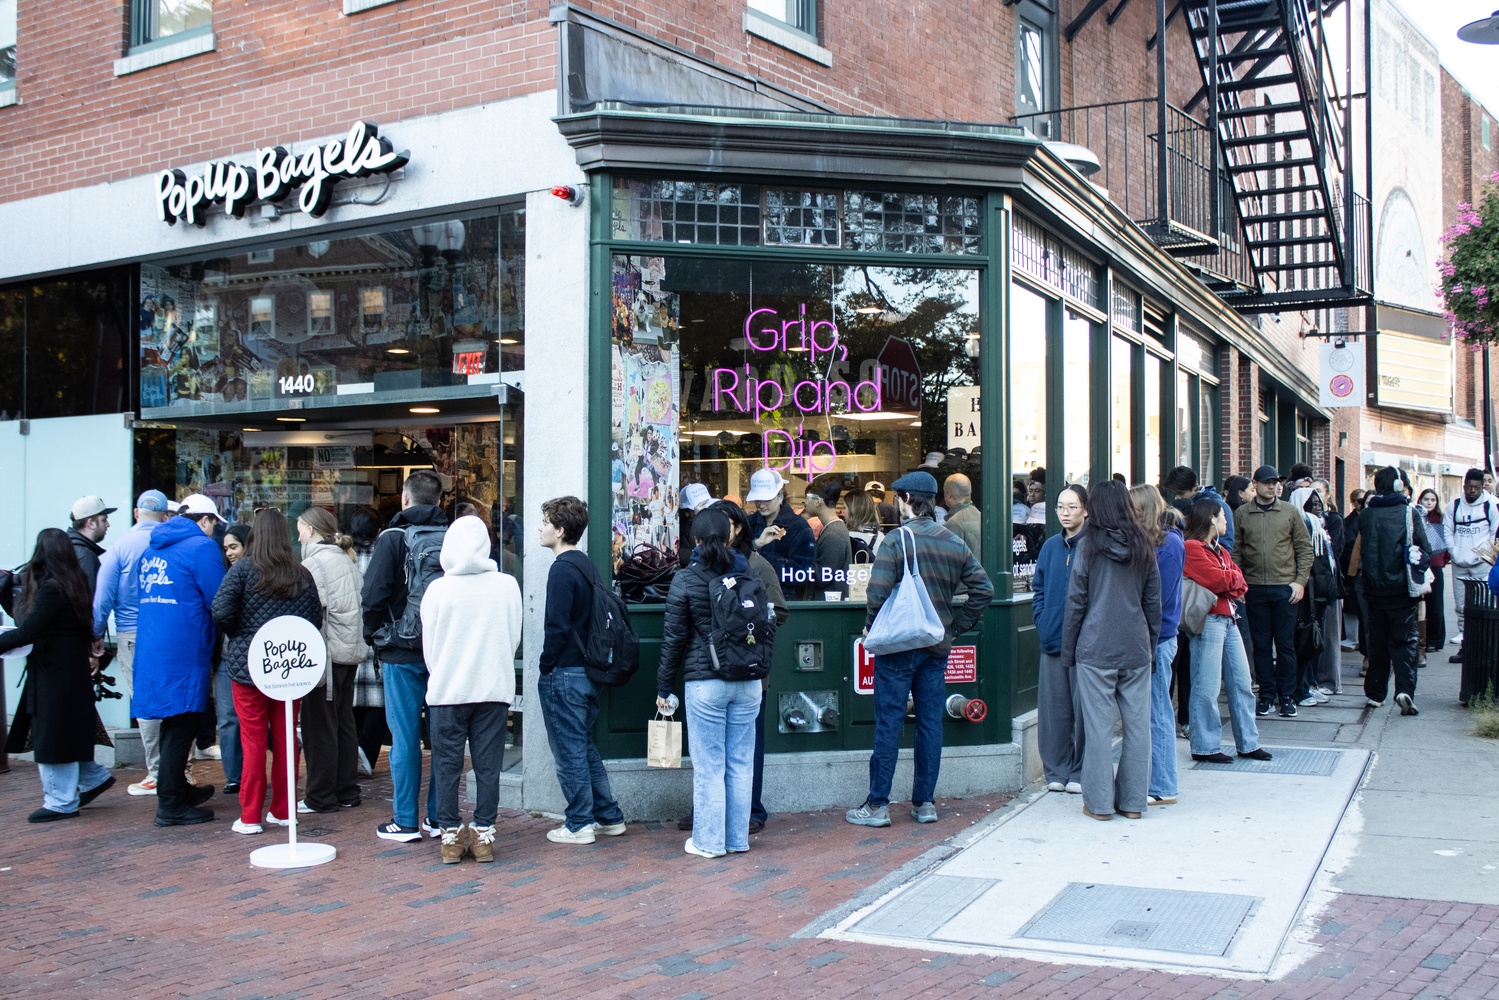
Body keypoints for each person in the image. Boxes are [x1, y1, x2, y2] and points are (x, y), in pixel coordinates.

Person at [846, 471, 994, 828]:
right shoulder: (952, 541)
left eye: (899, 498)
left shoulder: (897, 540)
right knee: (930, 723)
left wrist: (870, 626)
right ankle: (925, 803)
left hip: (897, 648)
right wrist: (956, 628)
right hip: (935, 646)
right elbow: (984, 590)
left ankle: (878, 805)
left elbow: (877, 593)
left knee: (889, 723)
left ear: (907, 500)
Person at [656, 508, 775, 858]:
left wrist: (664, 686)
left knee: (710, 766)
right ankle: (737, 839)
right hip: (750, 679)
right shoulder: (746, 568)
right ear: (729, 535)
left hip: (705, 681)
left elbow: (674, 639)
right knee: (740, 762)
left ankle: (708, 842)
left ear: (694, 539)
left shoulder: (686, 578)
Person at [213, 508, 325, 835]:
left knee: (252, 742)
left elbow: (220, 610)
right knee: (286, 740)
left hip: (248, 668)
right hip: (289, 669)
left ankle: (250, 816)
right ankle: (284, 810)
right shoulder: (301, 573)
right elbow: (313, 620)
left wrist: (242, 635)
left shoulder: (243, 569)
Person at [421, 515, 523, 864]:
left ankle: (450, 837)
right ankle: (483, 835)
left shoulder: (437, 589)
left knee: (447, 765)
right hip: (493, 686)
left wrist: (444, 671)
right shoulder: (507, 584)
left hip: (448, 689)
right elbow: (514, 637)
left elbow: (429, 647)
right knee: (488, 765)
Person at [0, 529, 115, 822]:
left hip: (53, 673)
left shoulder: (51, 588)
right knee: (66, 733)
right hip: (69, 671)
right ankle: (93, 778)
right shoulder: (73, 583)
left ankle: (60, 801)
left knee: (52, 736)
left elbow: (30, 629)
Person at [1062, 479, 1161, 821]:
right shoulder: (1144, 545)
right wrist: (1150, 645)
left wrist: (1068, 648)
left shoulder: (1088, 546)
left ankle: (1100, 804)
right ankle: (1133, 803)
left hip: (1095, 647)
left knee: (1098, 729)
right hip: (1134, 646)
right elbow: (1153, 603)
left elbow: (1076, 601)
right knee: (1138, 728)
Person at [363, 470, 449, 842]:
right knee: (443, 738)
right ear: (440, 501)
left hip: (401, 650)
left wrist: (376, 636)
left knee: (405, 736)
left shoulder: (392, 538)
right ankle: (437, 817)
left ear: (404, 499)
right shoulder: (453, 538)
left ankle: (405, 819)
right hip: (443, 651)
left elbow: (373, 595)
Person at [132, 494, 228, 826]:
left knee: (173, 722)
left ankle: (175, 789)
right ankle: (170, 802)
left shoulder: (152, 547)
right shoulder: (201, 549)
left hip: (153, 645)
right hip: (185, 647)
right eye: (214, 523)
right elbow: (220, 601)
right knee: (183, 721)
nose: (215, 532)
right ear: (205, 520)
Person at [537, 495, 626, 845]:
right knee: (583, 745)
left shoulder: (561, 569)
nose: (540, 529)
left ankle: (579, 823)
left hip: (566, 671)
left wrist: (546, 667)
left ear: (560, 530)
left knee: (569, 750)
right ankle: (608, 816)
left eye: (545, 523)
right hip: (588, 670)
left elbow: (556, 627)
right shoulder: (586, 564)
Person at [710, 499, 788, 835]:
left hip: (751, 667)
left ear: (738, 527)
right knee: (711, 744)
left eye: (721, 523)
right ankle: (710, 807)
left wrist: (746, 625)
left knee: (747, 745)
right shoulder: (706, 566)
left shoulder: (757, 565)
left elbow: (779, 611)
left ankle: (752, 809)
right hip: (712, 670)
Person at [91, 490, 170, 797]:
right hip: (170, 631)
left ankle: (157, 772)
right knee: (174, 696)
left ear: (136, 513)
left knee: (146, 703)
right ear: (164, 516)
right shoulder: (172, 545)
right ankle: (181, 766)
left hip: (132, 633)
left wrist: (96, 635)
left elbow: (103, 599)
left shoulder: (120, 547)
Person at [1182, 498, 1271, 764]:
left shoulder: (1220, 551)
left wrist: (1230, 582)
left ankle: (1248, 743)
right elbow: (1216, 580)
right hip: (1208, 620)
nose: (1226, 522)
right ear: (1211, 518)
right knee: (1206, 686)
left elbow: (1238, 580)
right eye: (1223, 517)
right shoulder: (1192, 547)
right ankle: (1205, 746)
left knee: (1242, 683)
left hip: (1228, 618)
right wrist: (1231, 581)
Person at [297, 508, 368, 815]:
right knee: (343, 721)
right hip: (349, 651)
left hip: (325, 653)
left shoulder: (314, 563)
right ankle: (347, 790)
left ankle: (321, 795)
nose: (298, 534)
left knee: (319, 725)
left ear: (312, 531)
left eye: (300, 528)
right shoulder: (347, 559)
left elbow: (312, 610)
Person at [1234, 465, 1312, 719]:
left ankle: (1287, 696)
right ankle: (1266, 696)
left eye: (1275, 482)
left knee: (1286, 644)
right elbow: (1236, 551)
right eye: (1267, 482)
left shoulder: (1289, 512)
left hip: (1284, 588)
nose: (1272, 486)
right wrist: (1240, 584)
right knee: (1261, 646)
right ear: (1255, 484)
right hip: (1255, 588)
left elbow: (1304, 548)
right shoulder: (1243, 514)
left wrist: (1299, 582)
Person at [1030, 483, 1087, 794]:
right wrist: (1042, 619)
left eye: (1072, 507)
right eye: (1060, 507)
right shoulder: (1050, 546)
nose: (1065, 513)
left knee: (1083, 711)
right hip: (1052, 639)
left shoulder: (1094, 544)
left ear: (1086, 509)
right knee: (1054, 710)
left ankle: (1079, 771)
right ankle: (1056, 771)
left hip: (1085, 644)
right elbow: (1038, 589)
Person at [1359, 466, 1431, 716]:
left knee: (1377, 643)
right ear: (1401, 485)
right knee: (1404, 642)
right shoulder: (1409, 514)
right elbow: (1424, 549)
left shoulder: (1366, 515)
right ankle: (1405, 691)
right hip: (1402, 589)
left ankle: (1375, 694)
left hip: (1372, 590)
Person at [1129, 485, 1184, 807]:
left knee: (1158, 712)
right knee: (1152, 711)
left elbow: (1157, 600)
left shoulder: (1169, 544)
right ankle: (1157, 781)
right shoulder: (1157, 542)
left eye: (1134, 510)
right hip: (1151, 637)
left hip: (1158, 639)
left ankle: (1163, 784)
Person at [1442, 468, 1497, 663]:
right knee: (1461, 606)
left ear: (1483, 486)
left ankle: (1483, 647)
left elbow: (1495, 533)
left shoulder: (1492, 505)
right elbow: (1447, 531)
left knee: (1484, 605)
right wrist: (1455, 552)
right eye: (1469, 487)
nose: (1473, 491)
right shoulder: (1453, 506)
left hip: (1482, 564)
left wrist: (1484, 556)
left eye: (1477, 487)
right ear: (1464, 486)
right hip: (1459, 562)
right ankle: (1466, 646)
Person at [1288, 487, 1336, 707]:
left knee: (1313, 643)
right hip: (1308, 593)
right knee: (1305, 642)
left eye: (1319, 504)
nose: (1317, 507)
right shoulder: (1305, 522)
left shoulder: (1318, 523)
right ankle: (1300, 689)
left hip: (1318, 592)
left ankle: (1308, 685)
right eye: (1312, 503)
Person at [347, 512, 387, 777]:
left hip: (348, 633)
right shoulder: (382, 556)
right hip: (377, 632)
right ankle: (366, 757)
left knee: (350, 698)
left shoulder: (343, 557)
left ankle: (352, 754)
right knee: (377, 698)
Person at [214, 522, 251, 793]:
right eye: (225, 548)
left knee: (265, 721)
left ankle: (252, 770)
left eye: (234, 546)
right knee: (228, 718)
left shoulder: (251, 574)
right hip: (228, 657)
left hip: (254, 656)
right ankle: (234, 775)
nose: (228, 552)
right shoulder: (225, 575)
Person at [745, 469, 815, 599]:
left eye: (766, 499)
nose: (761, 504)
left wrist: (763, 558)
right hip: (751, 595)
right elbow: (735, 558)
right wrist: (756, 545)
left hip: (785, 597)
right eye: (757, 499)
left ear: (780, 497)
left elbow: (803, 573)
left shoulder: (799, 528)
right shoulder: (748, 524)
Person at [1161, 466, 1234, 551]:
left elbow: (1226, 543)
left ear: (1194, 487)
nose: (1178, 497)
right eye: (1175, 494)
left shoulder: (1217, 505)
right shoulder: (1184, 505)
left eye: (1181, 493)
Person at [801, 482, 851, 599]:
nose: (805, 503)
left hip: (827, 606)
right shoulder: (833, 529)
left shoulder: (833, 534)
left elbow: (822, 577)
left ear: (818, 501)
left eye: (807, 498)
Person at [1417, 488, 1449, 652]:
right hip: (1420, 565)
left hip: (1436, 565)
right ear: (1420, 500)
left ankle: (1435, 639)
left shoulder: (1441, 518)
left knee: (1436, 604)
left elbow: (1447, 541)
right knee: (1420, 605)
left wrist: (1443, 560)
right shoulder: (1416, 516)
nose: (1429, 502)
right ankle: (1421, 638)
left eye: (1433, 500)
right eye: (1426, 499)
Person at [67, 495, 116, 596]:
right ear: (91, 523)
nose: (108, 524)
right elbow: (89, 602)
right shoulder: (86, 556)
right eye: (104, 520)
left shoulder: (64, 548)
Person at [943, 473, 981, 558]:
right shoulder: (982, 517)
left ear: (948, 494)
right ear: (970, 491)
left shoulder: (954, 523)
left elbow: (950, 562)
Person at [843, 490, 882, 558]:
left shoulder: (843, 537)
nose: (843, 512)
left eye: (844, 508)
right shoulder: (880, 538)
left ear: (853, 510)